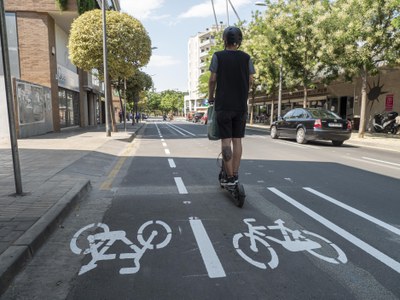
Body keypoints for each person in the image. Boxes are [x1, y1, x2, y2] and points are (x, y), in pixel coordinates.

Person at [208, 26, 255, 186]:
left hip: (223, 106)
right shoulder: (247, 58)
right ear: (239, 41)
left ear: (224, 40)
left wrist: (210, 97)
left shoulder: (218, 56)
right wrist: (243, 93)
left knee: (226, 142)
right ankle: (235, 174)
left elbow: (213, 79)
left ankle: (228, 177)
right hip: (240, 107)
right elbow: (251, 80)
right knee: (237, 141)